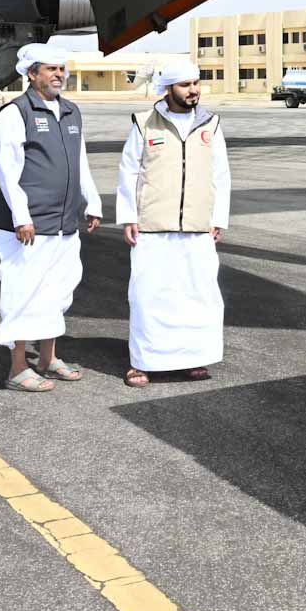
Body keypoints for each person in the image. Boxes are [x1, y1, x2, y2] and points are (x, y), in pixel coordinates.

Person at [0, 43, 101, 392]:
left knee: (56, 292)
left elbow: (80, 160)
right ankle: (17, 368)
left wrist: (93, 200)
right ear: (31, 73)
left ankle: (47, 359)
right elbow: (7, 169)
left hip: (64, 224)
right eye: (51, 69)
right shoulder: (15, 112)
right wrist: (21, 216)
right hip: (29, 226)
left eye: (61, 69)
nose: (59, 75)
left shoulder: (71, 111)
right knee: (23, 293)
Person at [116, 55, 230, 386]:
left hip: (197, 227)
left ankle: (194, 359)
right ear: (168, 89)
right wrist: (128, 216)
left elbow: (220, 174)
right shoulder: (144, 123)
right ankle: (143, 362)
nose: (193, 90)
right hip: (152, 227)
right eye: (184, 85)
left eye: (195, 83)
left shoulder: (211, 124)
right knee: (149, 296)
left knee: (198, 295)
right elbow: (129, 171)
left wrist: (217, 218)